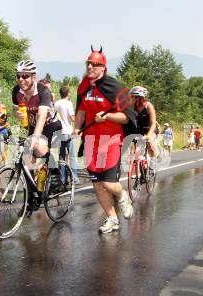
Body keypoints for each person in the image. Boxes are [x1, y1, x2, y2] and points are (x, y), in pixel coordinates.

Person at [73, 47, 136, 234]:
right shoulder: (83, 86)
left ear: (104, 68)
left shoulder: (117, 88)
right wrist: (76, 128)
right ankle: (112, 218)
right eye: (88, 63)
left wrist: (107, 117)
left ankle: (123, 196)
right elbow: (81, 111)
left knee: (108, 184)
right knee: (97, 185)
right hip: (91, 141)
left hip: (111, 141)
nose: (91, 66)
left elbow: (126, 117)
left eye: (95, 64)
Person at [12, 60, 62, 210]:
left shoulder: (43, 91)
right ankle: (33, 194)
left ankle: (55, 176)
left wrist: (35, 137)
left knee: (39, 146)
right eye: (18, 76)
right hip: (30, 125)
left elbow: (41, 116)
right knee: (25, 158)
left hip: (50, 124)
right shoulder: (16, 91)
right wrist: (17, 116)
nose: (21, 80)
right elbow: (15, 111)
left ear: (34, 77)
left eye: (25, 76)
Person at [54, 85, 80, 184]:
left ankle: (62, 179)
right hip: (68, 132)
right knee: (72, 156)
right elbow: (72, 118)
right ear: (68, 93)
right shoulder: (68, 103)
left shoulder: (56, 104)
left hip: (59, 133)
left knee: (61, 157)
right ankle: (74, 178)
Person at [130, 86, 157, 169]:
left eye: (133, 96)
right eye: (131, 96)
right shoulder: (131, 106)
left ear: (139, 98)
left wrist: (148, 135)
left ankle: (153, 159)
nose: (131, 98)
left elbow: (153, 123)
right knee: (132, 149)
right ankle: (137, 172)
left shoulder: (148, 106)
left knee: (150, 143)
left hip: (149, 130)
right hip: (138, 130)